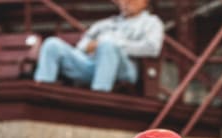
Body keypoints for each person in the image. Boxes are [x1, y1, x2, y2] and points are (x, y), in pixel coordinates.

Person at [33, 0, 163, 92]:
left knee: (108, 45)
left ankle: (100, 93)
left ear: (145, 2)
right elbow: (82, 45)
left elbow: (152, 48)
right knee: (52, 44)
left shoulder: (152, 22)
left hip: (125, 68)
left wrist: (115, 44)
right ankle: (42, 90)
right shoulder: (106, 23)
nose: (126, 2)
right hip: (92, 64)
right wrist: (89, 46)